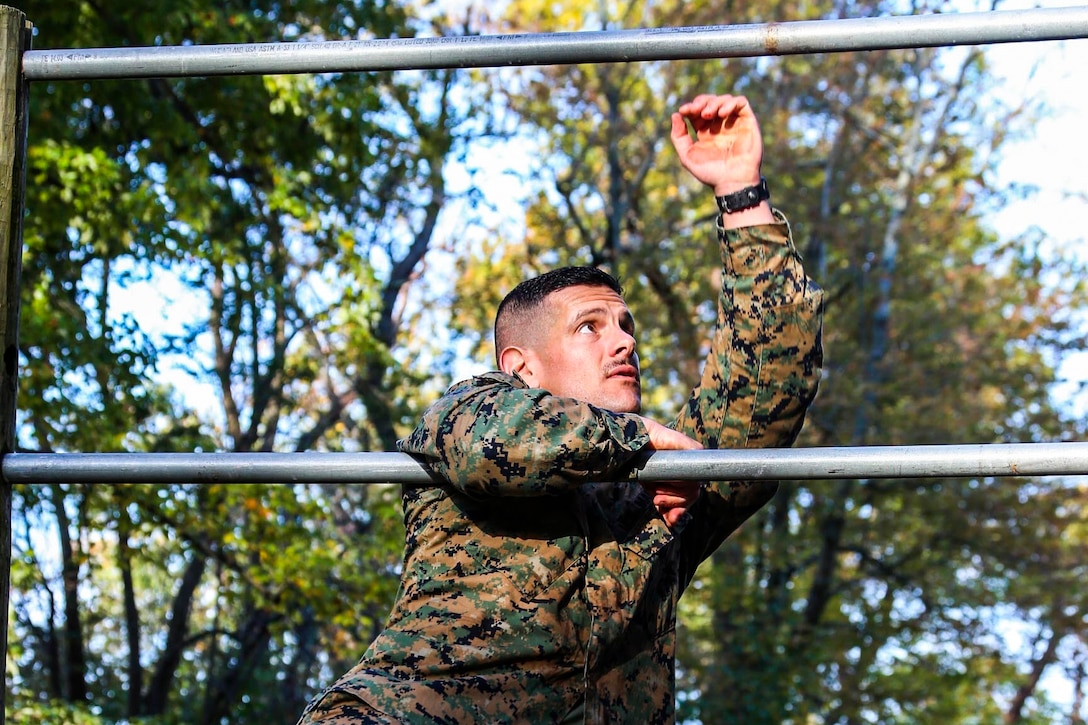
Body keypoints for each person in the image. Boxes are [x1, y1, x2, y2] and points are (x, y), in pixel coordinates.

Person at [298, 93, 824, 724]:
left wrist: (741, 194)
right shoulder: (472, 412)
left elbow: (765, 392)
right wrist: (641, 445)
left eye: (627, 325)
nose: (624, 340)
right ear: (520, 367)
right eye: (589, 327)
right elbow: (498, 446)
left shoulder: (655, 498)